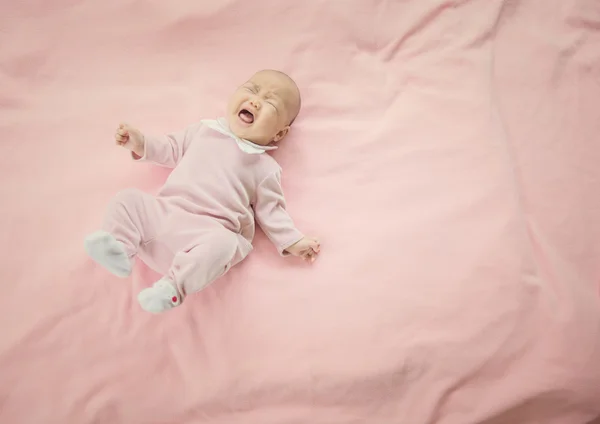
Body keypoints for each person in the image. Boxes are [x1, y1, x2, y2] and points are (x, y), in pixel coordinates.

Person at [84, 70, 320, 314]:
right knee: (128, 199)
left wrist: (292, 241)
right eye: (251, 90)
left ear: (279, 133)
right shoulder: (204, 131)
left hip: (205, 238)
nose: (255, 101)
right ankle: (120, 249)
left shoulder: (265, 168)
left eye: (270, 102)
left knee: (225, 242)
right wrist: (140, 143)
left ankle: (172, 288)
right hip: (163, 218)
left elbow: (271, 210)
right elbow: (170, 148)